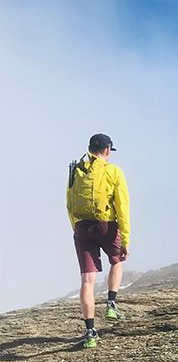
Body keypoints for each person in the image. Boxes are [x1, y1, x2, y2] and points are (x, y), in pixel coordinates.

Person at [67, 133, 130, 348]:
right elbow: (122, 207)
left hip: (82, 227)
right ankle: (111, 304)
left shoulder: (76, 170)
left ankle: (90, 332)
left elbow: (69, 203)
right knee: (117, 260)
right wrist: (126, 238)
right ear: (107, 150)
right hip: (106, 225)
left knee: (87, 280)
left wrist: (76, 227)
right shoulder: (114, 171)